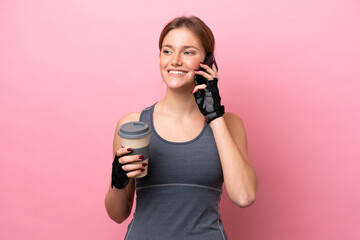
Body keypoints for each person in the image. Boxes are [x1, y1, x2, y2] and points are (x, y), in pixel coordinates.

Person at [105, 16, 258, 240]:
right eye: (168, 51)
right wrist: (118, 181)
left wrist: (214, 117)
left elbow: (244, 196)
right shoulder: (133, 126)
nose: (175, 60)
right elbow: (118, 214)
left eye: (188, 52)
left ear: (208, 61)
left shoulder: (229, 124)